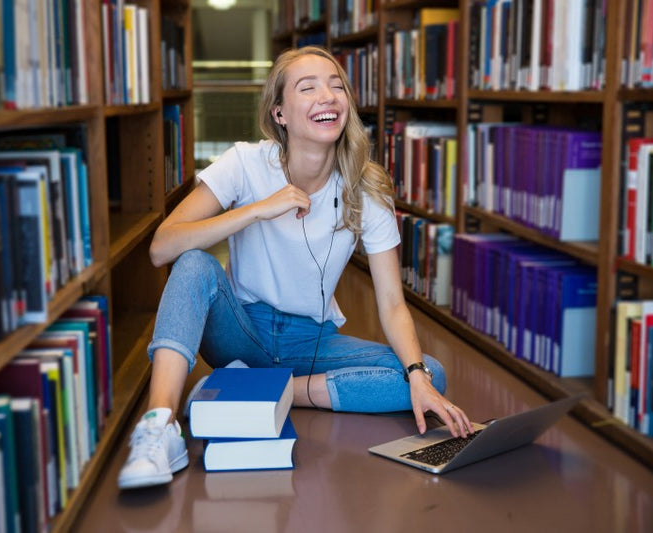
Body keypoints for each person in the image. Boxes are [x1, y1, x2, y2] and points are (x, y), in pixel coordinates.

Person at [117, 45, 473, 489]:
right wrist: (257, 210)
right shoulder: (245, 162)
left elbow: (391, 303)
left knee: (427, 374)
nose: (328, 95)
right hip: (241, 331)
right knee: (193, 263)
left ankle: (264, 392)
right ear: (280, 112)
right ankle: (160, 427)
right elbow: (160, 248)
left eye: (336, 85)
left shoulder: (367, 185)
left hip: (313, 342)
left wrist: (417, 375)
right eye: (308, 87)